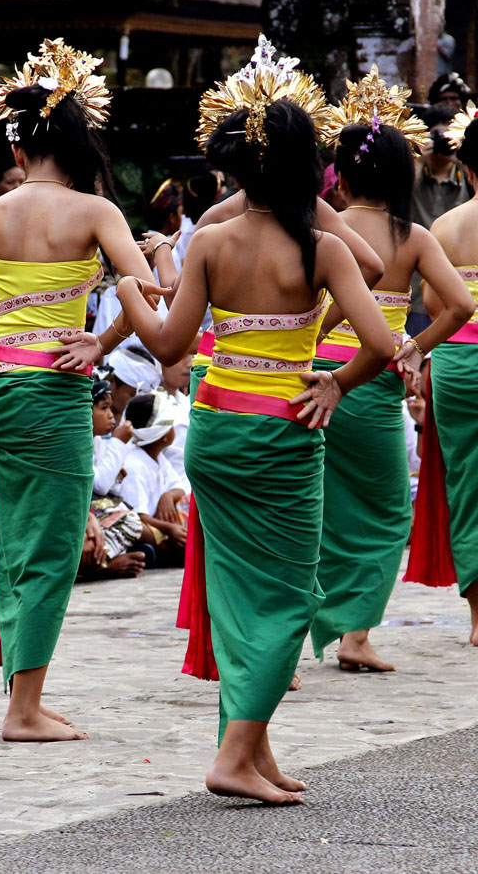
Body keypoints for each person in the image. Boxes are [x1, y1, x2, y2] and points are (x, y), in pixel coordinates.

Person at [116, 97, 393, 803]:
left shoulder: (209, 241)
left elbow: (171, 344)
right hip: (285, 433)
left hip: (216, 431)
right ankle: (233, 757)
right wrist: (334, 383)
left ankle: (254, 750)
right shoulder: (321, 247)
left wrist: (128, 289)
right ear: (311, 168)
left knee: (240, 596)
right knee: (290, 596)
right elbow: (383, 344)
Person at [0, 39, 164, 742]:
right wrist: (105, 339)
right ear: (79, 140)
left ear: (21, 150)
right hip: (55, 392)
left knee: (19, 531)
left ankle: (24, 694)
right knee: (53, 542)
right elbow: (145, 293)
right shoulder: (96, 212)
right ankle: (23, 707)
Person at [309, 71, 474, 672]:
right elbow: (460, 304)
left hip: (309, 376)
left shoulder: (322, 228)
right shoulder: (412, 236)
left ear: (341, 177)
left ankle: (295, 633)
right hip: (373, 382)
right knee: (383, 511)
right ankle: (354, 636)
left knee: (315, 508)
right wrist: (414, 348)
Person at [405, 101, 478, 645]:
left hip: (457, 366)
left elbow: (433, 303)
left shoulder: (447, 226)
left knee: (468, 485)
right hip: (454, 362)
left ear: (468, 170)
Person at [408, 105, 474, 335]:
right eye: (437, 137)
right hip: (416, 290)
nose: (443, 142)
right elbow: (398, 200)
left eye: (450, 137)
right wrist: (417, 159)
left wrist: (463, 160)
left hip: (458, 294)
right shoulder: (415, 173)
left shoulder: (465, 175)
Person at [112, 391, 188, 563]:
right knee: (177, 543)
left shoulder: (158, 457)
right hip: (147, 527)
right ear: (165, 435)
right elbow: (137, 517)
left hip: (159, 524)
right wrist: (169, 528)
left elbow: (180, 488)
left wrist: (168, 496)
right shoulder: (135, 465)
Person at [88, 376, 150, 576]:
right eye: (103, 408)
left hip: (90, 512)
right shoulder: (78, 441)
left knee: (124, 510)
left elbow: (107, 488)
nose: (110, 416)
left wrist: (115, 474)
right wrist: (117, 443)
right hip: (74, 514)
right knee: (129, 521)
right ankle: (102, 564)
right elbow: (99, 485)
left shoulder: (95, 440)